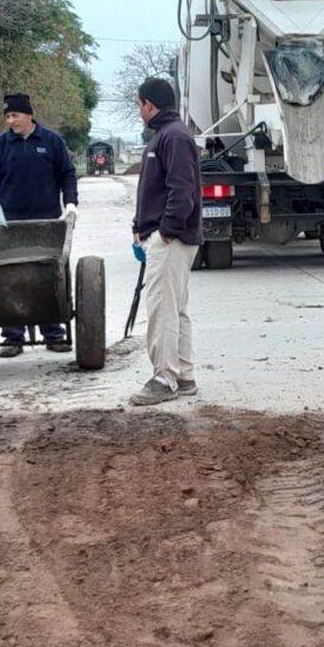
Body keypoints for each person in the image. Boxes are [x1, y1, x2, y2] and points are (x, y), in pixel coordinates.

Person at [0, 92, 79, 357]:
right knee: (9, 278)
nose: (11, 120)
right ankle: (13, 337)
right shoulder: (0, 146)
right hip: (10, 224)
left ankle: (54, 334)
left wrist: (70, 203)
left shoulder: (51, 142)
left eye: (15, 115)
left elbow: (67, 174)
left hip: (47, 224)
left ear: (28, 114)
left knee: (46, 276)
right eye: (8, 116)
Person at [130, 77, 201, 406]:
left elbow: (181, 192)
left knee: (162, 309)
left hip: (171, 239)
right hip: (165, 237)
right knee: (176, 309)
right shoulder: (166, 135)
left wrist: (164, 233)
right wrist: (139, 226)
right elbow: (155, 189)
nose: (139, 110)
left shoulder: (173, 137)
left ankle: (164, 377)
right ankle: (183, 375)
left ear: (149, 104)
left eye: (139, 104)